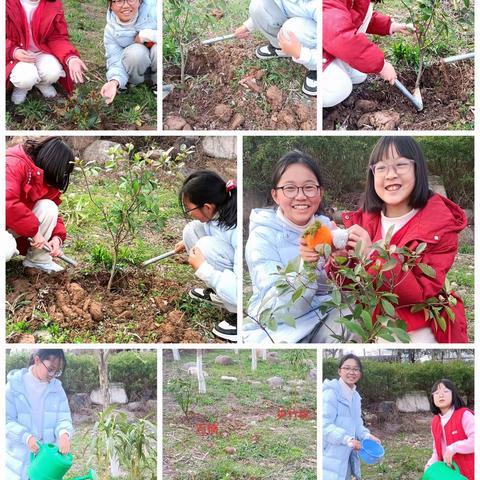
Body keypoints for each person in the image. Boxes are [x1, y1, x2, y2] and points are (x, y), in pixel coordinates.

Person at [336, 136, 468, 343]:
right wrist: (338, 259)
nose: (390, 175)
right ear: (372, 174)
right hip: (373, 316)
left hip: (418, 318)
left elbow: (417, 293)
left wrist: (372, 254)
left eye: (400, 165)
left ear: (418, 169)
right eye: (381, 168)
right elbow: (348, 284)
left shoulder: (439, 226)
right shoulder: (365, 220)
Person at [244, 150, 349, 344]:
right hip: (281, 329)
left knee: (352, 318)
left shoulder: (326, 228)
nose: (301, 197)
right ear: (275, 195)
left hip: (322, 316)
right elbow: (282, 309)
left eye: (309, 187)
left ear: (320, 192)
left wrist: (341, 265)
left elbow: (333, 290)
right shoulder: (262, 238)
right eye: (290, 188)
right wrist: (306, 268)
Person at [175, 170, 238, 342]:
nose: (189, 214)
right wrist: (186, 242)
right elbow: (215, 233)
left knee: (203, 247)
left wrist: (204, 269)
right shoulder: (219, 210)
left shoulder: (238, 230)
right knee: (191, 230)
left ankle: (239, 314)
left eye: (190, 209)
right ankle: (222, 293)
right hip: (232, 267)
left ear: (208, 207)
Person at [322, 0, 413, 107]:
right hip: (319, 51)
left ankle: (335, 68)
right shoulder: (329, 6)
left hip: (331, 45)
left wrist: (391, 26)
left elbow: (358, 16)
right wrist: (382, 66)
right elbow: (344, 39)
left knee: (359, 76)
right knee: (340, 89)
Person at [5, 137, 74, 273]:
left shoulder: (40, 175)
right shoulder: (12, 164)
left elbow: (50, 209)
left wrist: (57, 238)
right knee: (6, 246)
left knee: (48, 206)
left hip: (8, 224)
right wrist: (34, 232)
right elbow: (6, 203)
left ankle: (37, 261)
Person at [6, 349, 73, 480]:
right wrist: (26, 437)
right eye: (50, 369)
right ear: (37, 360)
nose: (53, 375)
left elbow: (63, 417)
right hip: (18, 464)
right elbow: (6, 421)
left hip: (46, 464)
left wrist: (64, 434)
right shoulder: (13, 387)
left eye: (57, 371)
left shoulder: (57, 389)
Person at [6, 0, 87, 105]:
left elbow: (58, 37)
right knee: (25, 78)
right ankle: (22, 87)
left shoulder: (53, 4)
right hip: (17, 55)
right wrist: (13, 51)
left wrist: (71, 58)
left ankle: (42, 83)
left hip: (41, 51)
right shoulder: (7, 3)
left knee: (53, 72)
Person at [234, 0, 317, 96]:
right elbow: (277, 4)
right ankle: (281, 47)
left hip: (320, 34)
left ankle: (316, 69)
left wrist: (303, 54)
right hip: (298, 17)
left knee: (291, 30)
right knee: (258, 5)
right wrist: (248, 26)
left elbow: (333, 42)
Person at [323, 354, 381, 480]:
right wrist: (347, 439)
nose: (351, 372)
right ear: (339, 371)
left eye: (355, 369)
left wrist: (367, 436)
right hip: (331, 454)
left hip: (348, 454)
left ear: (360, 373)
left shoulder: (355, 396)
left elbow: (357, 425)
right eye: (347, 368)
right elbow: (325, 426)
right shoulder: (331, 393)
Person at [100, 0, 157, 105]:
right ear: (110, 5)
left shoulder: (153, 12)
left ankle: (157, 82)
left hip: (154, 59)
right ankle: (135, 82)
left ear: (140, 2)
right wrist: (114, 82)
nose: (126, 6)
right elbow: (115, 59)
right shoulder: (111, 30)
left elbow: (167, 36)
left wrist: (145, 35)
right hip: (135, 68)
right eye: (119, 1)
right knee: (136, 53)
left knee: (156, 48)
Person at [425, 379, 474, 480]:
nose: (441, 395)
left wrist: (454, 448)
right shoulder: (435, 422)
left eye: (445, 391)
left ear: (454, 394)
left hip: (470, 472)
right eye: (437, 393)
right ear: (433, 398)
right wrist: (430, 465)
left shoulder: (465, 415)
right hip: (448, 474)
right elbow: (437, 450)